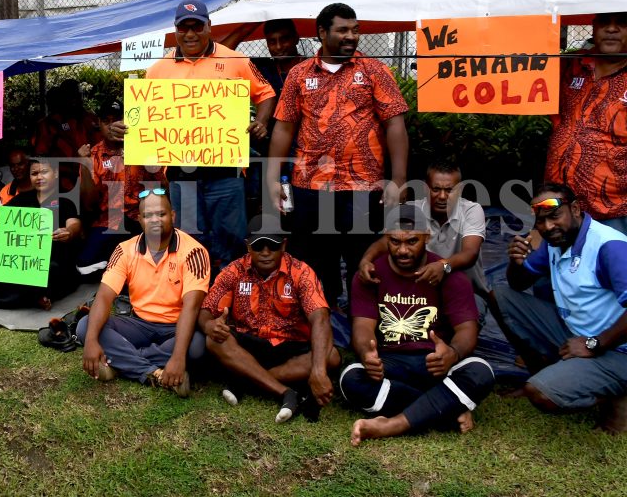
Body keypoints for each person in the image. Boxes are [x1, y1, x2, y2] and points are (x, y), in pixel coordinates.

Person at [267, 2, 409, 309]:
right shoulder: (298, 75)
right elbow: (283, 130)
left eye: (355, 30)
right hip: (310, 188)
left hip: (363, 187)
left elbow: (395, 124)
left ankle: (365, 328)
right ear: (322, 33)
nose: (351, 36)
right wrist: (271, 178)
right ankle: (323, 326)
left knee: (365, 262)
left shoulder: (375, 71)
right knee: (315, 264)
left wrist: (397, 180)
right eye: (343, 30)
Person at [341, 204, 494, 445]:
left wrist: (452, 354)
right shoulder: (369, 275)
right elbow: (362, 327)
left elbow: (467, 330)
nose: (402, 250)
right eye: (394, 241)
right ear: (385, 238)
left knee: (480, 370)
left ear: (427, 236)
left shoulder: (449, 276)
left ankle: (392, 424)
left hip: (434, 365)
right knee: (350, 378)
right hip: (390, 364)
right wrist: (366, 353)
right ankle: (447, 408)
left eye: (412, 241)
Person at [148, 0, 277, 276]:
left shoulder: (236, 60)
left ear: (209, 27)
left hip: (226, 172)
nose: (191, 34)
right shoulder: (157, 70)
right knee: (191, 243)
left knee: (231, 242)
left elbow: (265, 93)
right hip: (183, 175)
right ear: (175, 30)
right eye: (184, 28)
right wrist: (126, 128)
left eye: (197, 26)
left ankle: (230, 302)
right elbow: (145, 115)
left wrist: (261, 121)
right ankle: (199, 302)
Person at [495, 183, 627, 433]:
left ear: (575, 209)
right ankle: (545, 373)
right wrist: (515, 262)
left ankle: (616, 394)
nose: (547, 227)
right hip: (575, 332)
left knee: (542, 394)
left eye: (555, 216)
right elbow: (518, 283)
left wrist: (594, 343)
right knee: (500, 296)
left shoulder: (609, 246)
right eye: (540, 221)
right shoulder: (556, 242)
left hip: (618, 349)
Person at [78, 188, 209, 397]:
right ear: (139, 219)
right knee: (85, 327)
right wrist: (92, 341)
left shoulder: (194, 252)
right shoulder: (124, 249)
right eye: (148, 215)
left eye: (161, 214)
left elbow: (192, 308)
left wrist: (177, 356)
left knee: (197, 346)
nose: (155, 220)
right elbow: (103, 297)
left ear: (173, 216)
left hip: (176, 327)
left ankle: (122, 361)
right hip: (138, 325)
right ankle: (153, 372)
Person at [200, 232, 339, 422]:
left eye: (272, 246)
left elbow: (320, 318)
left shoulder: (301, 272)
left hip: (290, 347)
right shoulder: (234, 270)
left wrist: (318, 372)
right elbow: (206, 310)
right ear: (248, 246)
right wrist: (209, 325)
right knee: (214, 340)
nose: (265, 252)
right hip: (248, 344)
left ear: (283, 245)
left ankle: (246, 380)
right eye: (258, 246)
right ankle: (286, 392)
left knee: (331, 357)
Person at [357, 160, 492, 313]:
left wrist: (443, 266)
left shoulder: (471, 210)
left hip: (467, 293)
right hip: (422, 291)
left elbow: (470, 253)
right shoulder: (413, 210)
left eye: (449, 190)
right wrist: (366, 260)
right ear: (425, 188)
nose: (442, 196)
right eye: (435, 189)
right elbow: (384, 242)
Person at [546, 12, 627, 235]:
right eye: (604, 22)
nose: (611, 29)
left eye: (621, 23)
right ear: (593, 26)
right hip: (560, 202)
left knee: (614, 266)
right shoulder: (569, 65)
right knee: (559, 267)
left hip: (615, 209)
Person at [0, 158, 81, 310]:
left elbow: (74, 224)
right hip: (24, 264)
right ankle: (35, 297)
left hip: (54, 264)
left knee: (50, 275)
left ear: (55, 173)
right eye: (34, 173)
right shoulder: (22, 198)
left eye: (44, 172)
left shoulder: (66, 200)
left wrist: (69, 232)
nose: (39, 177)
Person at [76, 101, 166, 278]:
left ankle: (126, 265)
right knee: (84, 267)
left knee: (160, 262)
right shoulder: (93, 154)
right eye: (106, 121)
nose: (112, 126)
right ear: (99, 124)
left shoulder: (142, 145)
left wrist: (142, 158)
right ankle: (125, 266)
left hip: (140, 217)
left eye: (116, 119)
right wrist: (85, 165)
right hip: (109, 221)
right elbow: (88, 204)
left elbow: (164, 187)